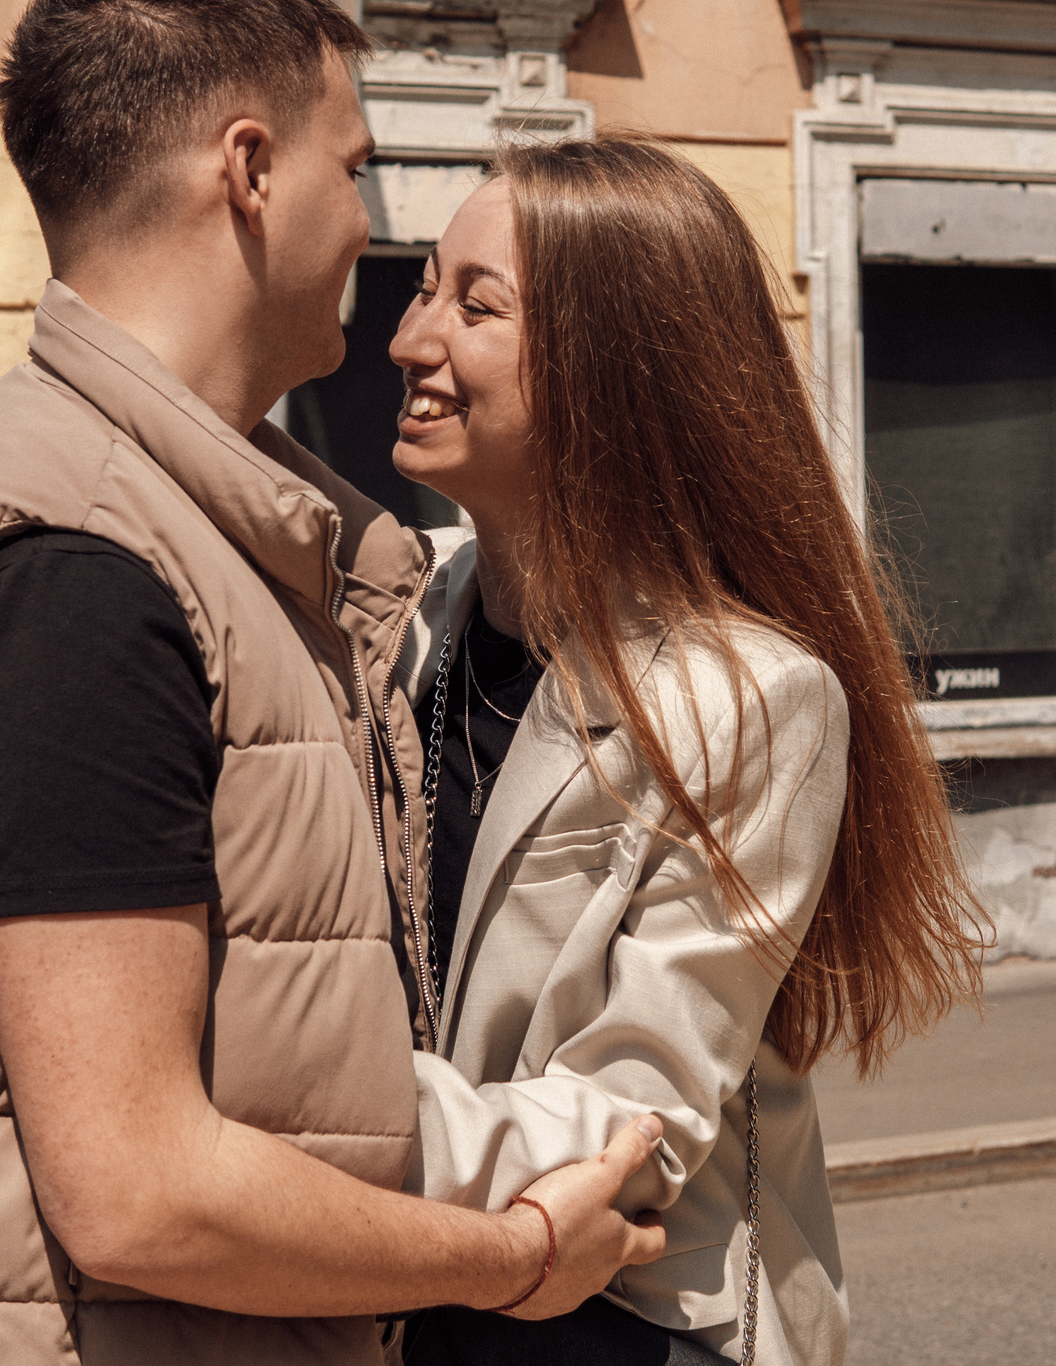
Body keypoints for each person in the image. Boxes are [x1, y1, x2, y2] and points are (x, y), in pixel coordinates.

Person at [0, 0, 668, 1365]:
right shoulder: (85, 583)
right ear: (249, 169)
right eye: (353, 167)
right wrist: (516, 1255)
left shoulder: (202, 536)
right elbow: (141, 1193)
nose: (368, 229)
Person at [382, 139, 990, 1364]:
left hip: (627, 1324)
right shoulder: (405, 626)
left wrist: (291, 1127)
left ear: (609, 376)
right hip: (416, 1293)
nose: (409, 338)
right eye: (424, 285)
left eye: (476, 304)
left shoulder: (752, 699)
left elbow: (632, 1118)